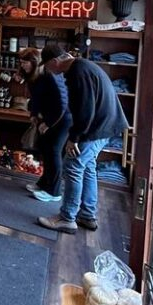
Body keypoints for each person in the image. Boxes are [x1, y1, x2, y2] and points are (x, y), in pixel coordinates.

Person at [37, 43, 128, 234]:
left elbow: (85, 110)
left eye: (47, 67)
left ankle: (67, 217)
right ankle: (87, 214)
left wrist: (74, 137)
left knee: (73, 166)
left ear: (54, 62)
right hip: (106, 126)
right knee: (88, 167)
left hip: (97, 127)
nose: (50, 72)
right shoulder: (81, 66)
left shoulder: (78, 72)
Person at [17, 47, 71, 202]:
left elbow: (62, 102)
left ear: (34, 62)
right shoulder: (32, 76)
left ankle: (54, 192)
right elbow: (35, 99)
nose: (22, 66)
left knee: (54, 151)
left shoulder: (50, 75)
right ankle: (44, 183)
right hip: (48, 117)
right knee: (45, 148)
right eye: (21, 62)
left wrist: (48, 123)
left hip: (62, 118)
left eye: (25, 62)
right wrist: (33, 115)